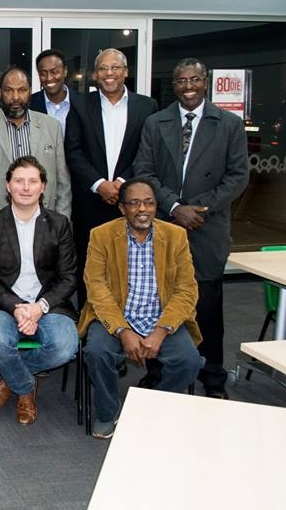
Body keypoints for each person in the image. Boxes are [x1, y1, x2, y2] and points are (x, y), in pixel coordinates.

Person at [135, 58, 249, 399]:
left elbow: (238, 176)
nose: (188, 86)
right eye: (182, 80)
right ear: (175, 83)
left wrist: (201, 208)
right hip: (165, 223)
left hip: (207, 227)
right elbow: (144, 171)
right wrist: (173, 207)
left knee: (208, 306)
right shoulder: (156, 123)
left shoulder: (228, 124)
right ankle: (159, 373)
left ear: (205, 82)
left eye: (194, 80)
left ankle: (212, 377)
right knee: (161, 301)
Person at [79, 178, 201, 439]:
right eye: (134, 203)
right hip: (115, 316)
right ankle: (107, 412)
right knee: (97, 351)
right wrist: (123, 331)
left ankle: (151, 407)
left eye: (148, 203)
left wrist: (161, 331)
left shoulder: (176, 236)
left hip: (161, 317)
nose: (142, 209)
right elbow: (96, 288)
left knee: (188, 360)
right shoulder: (101, 235)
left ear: (156, 207)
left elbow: (186, 290)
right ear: (122, 208)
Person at [0, 157, 78, 425]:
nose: (26, 187)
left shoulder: (59, 224)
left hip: (49, 305)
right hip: (5, 305)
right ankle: (25, 388)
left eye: (33, 181)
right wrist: (17, 307)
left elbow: (68, 278)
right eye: (19, 180)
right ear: (8, 185)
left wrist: (38, 307)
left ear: (43, 187)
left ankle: (12, 378)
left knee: (66, 346)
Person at [64, 48, 158, 305]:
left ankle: (128, 328)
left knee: (130, 269)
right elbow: (72, 151)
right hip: (90, 204)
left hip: (131, 204)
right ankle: (89, 332)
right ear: (95, 75)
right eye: (103, 68)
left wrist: (121, 183)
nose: (109, 73)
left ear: (126, 72)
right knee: (90, 270)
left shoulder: (146, 106)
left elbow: (146, 152)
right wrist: (99, 184)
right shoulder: (81, 105)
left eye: (115, 67)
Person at [0, 66, 71, 250]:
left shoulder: (51, 127)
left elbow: (63, 183)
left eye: (22, 90)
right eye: (9, 90)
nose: (16, 97)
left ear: (30, 92)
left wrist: (62, 223)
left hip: (44, 224)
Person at [29, 48, 82, 137]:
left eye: (54, 72)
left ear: (65, 71)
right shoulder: (29, 104)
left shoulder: (82, 103)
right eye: (43, 73)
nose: (49, 78)